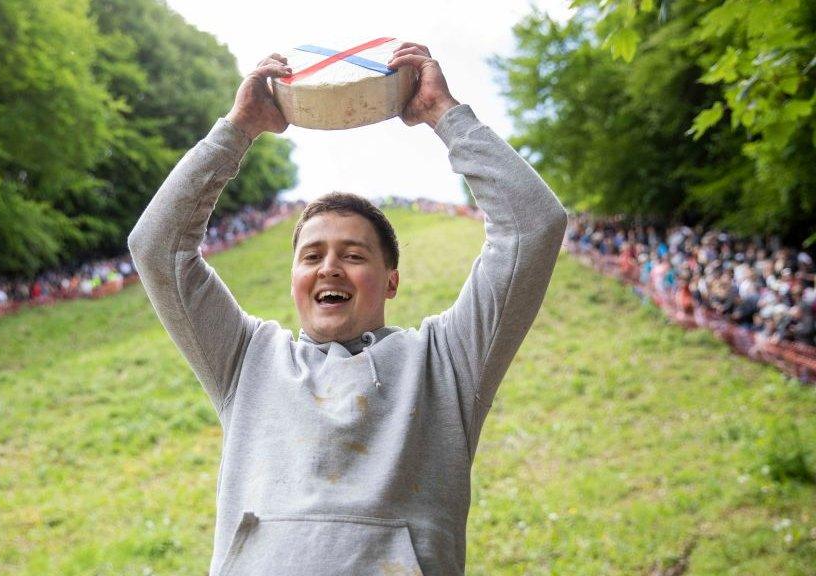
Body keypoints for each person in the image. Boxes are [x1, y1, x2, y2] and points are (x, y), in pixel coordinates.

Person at [128, 42, 567, 576]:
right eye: (311, 256)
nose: (329, 268)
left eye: (353, 255)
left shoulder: (448, 362)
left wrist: (443, 115)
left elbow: (532, 226)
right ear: (295, 280)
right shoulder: (245, 360)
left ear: (391, 281)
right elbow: (157, 247)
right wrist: (237, 130)